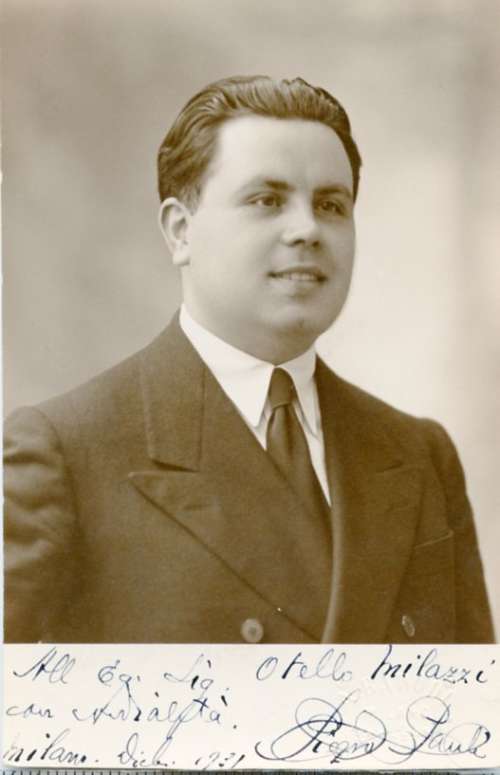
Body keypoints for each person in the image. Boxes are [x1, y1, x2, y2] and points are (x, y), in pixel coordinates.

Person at [4, 75, 494, 644]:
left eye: (331, 205)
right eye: (267, 201)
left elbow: (472, 693)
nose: (307, 229)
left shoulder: (419, 454)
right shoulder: (67, 452)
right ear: (180, 232)